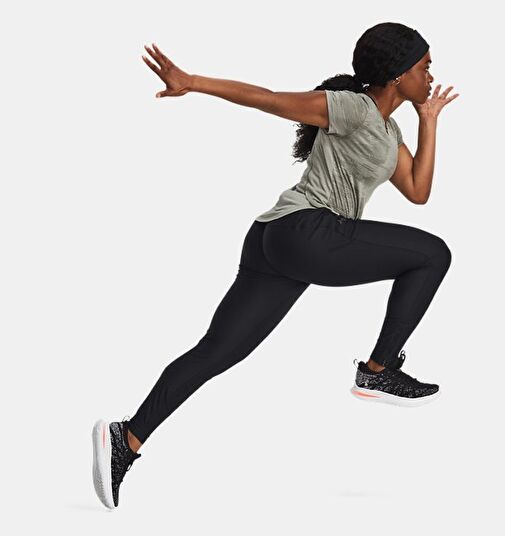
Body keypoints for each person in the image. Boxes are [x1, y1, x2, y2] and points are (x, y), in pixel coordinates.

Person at [92, 22, 459, 509]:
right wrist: (192, 81)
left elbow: (417, 190)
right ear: (398, 74)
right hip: (307, 231)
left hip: (277, 241)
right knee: (432, 254)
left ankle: (126, 439)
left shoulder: (389, 131)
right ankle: (378, 369)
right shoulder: (353, 108)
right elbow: (267, 99)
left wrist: (427, 120)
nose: (431, 76)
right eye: (425, 67)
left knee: (217, 352)